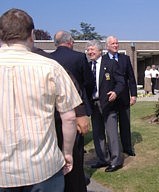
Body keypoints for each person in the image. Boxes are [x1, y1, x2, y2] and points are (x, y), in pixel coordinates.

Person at [0, 8, 81, 191]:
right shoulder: (51, 67)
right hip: (43, 167)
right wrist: (67, 153)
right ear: (32, 35)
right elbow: (69, 117)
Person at [51, 31, 94, 192]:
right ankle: (76, 181)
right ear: (70, 42)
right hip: (76, 109)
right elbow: (88, 82)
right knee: (76, 149)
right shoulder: (78, 57)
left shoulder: (49, 59)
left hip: (55, 111)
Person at [86, 39, 125, 172]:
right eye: (88, 50)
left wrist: (115, 92)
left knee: (111, 133)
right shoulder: (87, 65)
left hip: (108, 104)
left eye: (92, 49)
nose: (90, 52)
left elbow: (121, 82)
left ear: (99, 51)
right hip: (93, 104)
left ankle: (116, 161)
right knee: (97, 133)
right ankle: (103, 159)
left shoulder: (111, 63)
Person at [103, 36, 138, 156]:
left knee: (125, 124)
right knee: (110, 127)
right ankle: (112, 149)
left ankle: (127, 147)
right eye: (113, 43)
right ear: (107, 46)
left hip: (123, 98)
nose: (115, 45)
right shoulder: (102, 60)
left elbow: (131, 78)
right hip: (109, 98)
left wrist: (133, 95)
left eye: (117, 43)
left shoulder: (125, 59)